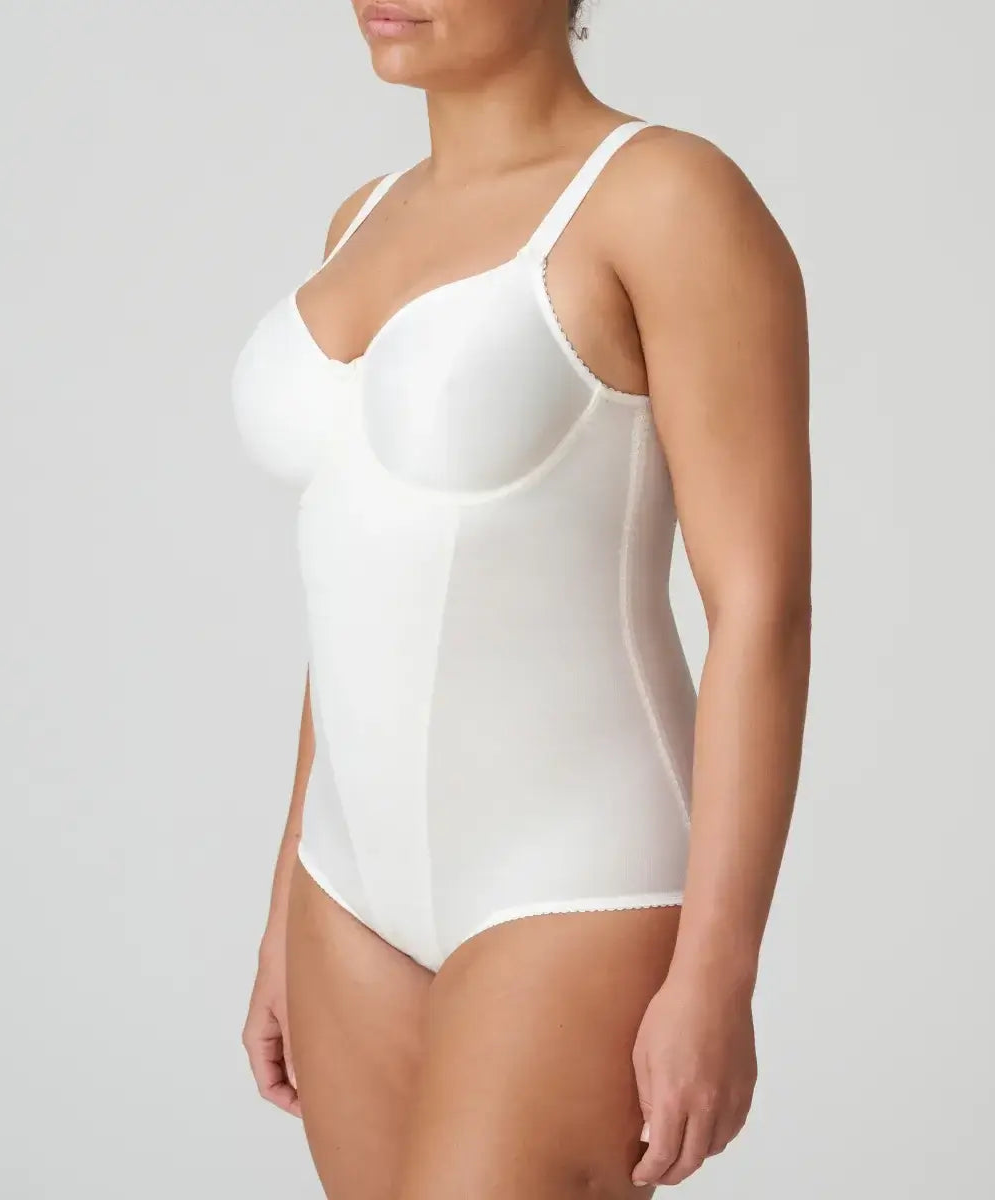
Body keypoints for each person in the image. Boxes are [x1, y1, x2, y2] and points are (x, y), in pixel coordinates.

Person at [230, 1, 811, 1194]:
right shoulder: (361, 217)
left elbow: (762, 608)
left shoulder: (666, 198)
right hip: (346, 883)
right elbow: (356, 574)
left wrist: (717, 973)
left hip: (574, 876)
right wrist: (289, 895)